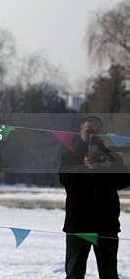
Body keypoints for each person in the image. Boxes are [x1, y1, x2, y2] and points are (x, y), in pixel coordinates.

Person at [59, 116, 130, 279]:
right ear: (80, 132)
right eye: (89, 131)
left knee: (109, 274)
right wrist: (83, 166)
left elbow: (124, 182)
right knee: (74, 274)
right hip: (78, 224)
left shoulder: (112, 157)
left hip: (107, 224)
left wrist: (110, 168)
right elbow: (65, 181)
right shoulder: (70, 156)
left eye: (97, 132)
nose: (93, 135)